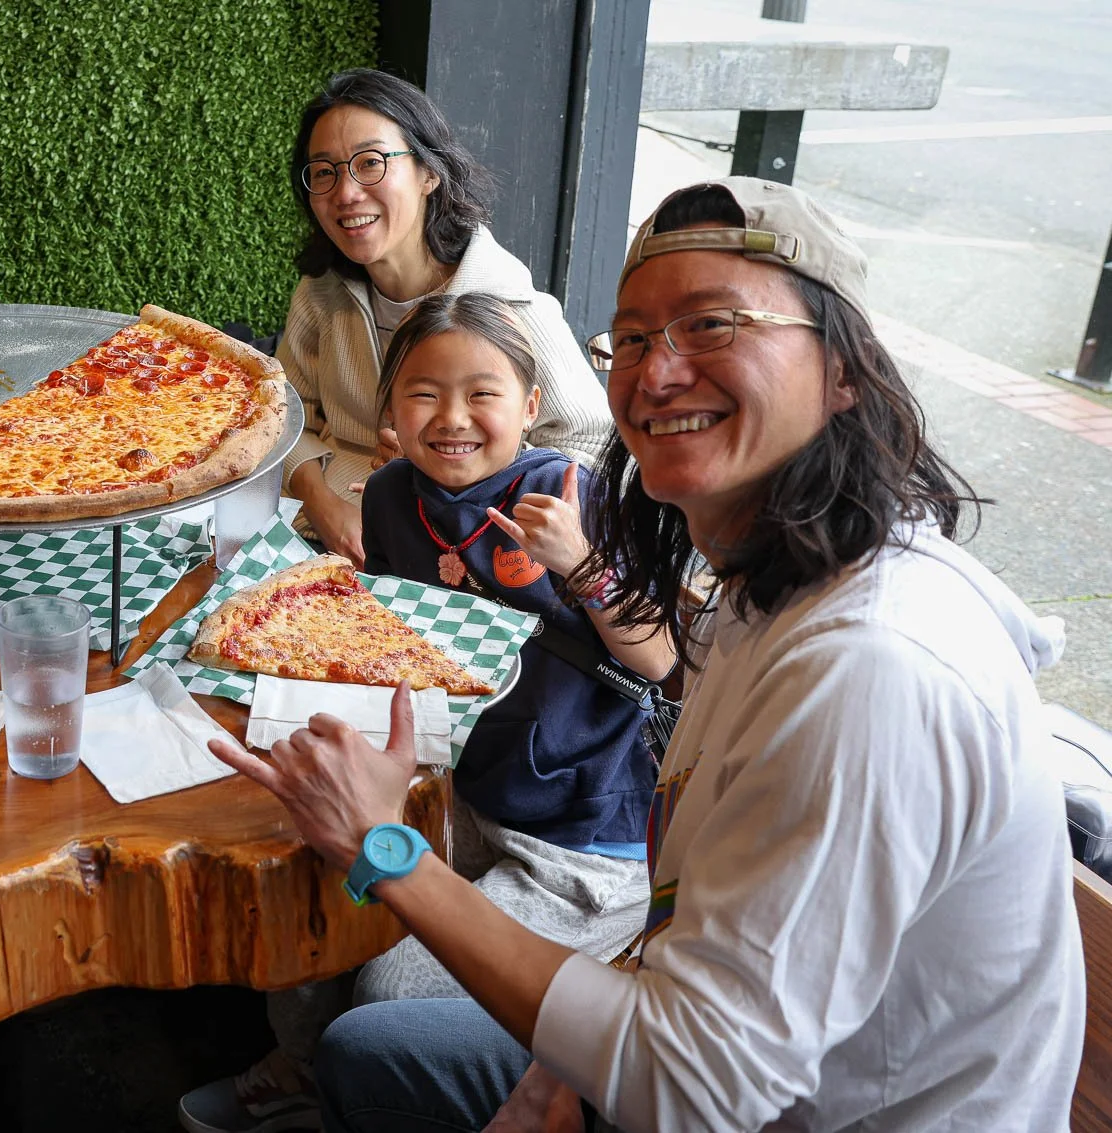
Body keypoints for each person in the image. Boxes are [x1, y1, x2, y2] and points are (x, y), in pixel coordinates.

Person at [216, 178, 1083, 1131]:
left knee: (377, 1013)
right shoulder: (777, 586)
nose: (656, 373)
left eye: (713, 325)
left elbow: (685, 1086)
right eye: (630, 338)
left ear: (844, 370)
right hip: (690, 1044)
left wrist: (389, 851)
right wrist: (555, 1075)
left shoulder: (871, 671)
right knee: (362, 1052)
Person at [177, 295, 668, 1133]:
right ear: (390, 411)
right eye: (423, 392)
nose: (452, 417)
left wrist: (581, 567)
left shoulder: (572, 494)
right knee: (299, 890)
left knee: (387, 988)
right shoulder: (391, 494)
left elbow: (662, 657)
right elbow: (385, 647)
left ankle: (367, 1086)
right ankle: (303, 1070)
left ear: (530, 406)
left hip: (585, 840)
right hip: (460, 793)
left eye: (482, 393)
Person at [276, 68, 611, 568]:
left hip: (458, 561)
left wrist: (455, 469)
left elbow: (590, 447)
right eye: (324, 171)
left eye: (370, 163)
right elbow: (279, 416)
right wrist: (327, 507)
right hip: (317, 536)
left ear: (429, 173)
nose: (345, 193)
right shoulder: (321, 293)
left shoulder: (511, 308)